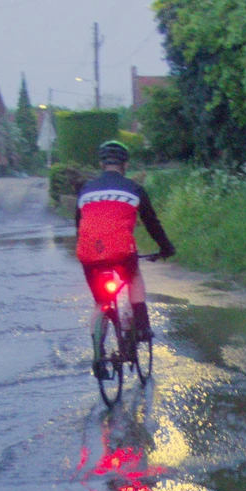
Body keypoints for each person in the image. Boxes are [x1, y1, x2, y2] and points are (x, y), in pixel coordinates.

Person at [76, 139, 175, 370]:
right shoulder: (134, 188)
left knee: (100, 302)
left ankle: (98, 354)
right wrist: (166, 247)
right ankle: (141, 325)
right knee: (133, 276)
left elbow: (79, 226)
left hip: (88, 252)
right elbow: (152, 224)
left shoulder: (85, 190)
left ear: (101, 163)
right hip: (121, 251)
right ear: (125, 164)